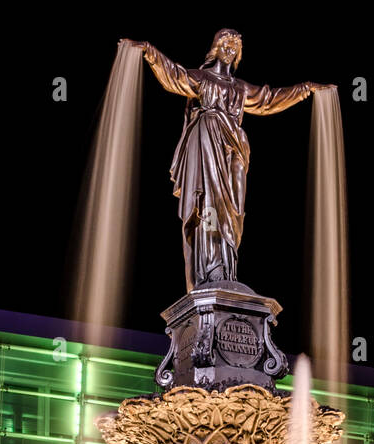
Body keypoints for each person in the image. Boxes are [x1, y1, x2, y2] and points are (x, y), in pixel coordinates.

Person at [120, 31, 327, 289]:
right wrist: (150, 52)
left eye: (236, 46)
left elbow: (269, 99)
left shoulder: (240, 88)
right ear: (215, 48)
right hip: (206, 141)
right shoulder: (202, 78)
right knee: (208, 201)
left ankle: (227, 267)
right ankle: (210, 268)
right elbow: (175, 76)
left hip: (235, 148)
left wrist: (305, 89)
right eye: (226, 44)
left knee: (234, 210)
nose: (230, 49)